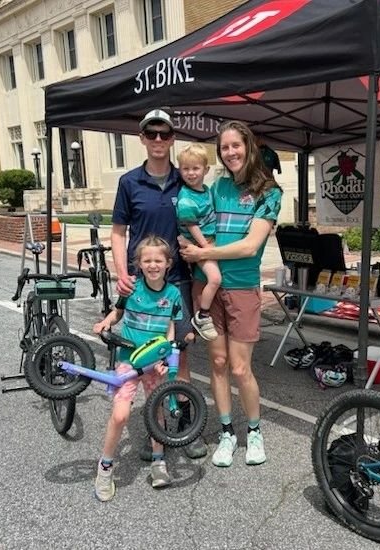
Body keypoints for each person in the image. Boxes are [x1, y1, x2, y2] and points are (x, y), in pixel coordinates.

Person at [179, 120, 283, 467]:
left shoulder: (269, 193)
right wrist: (187, 242)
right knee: (218, 363)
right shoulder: (217, 186)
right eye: (224, 148)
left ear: (248, 146)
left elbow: (251, 246)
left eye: (235, 145)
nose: (230, 152)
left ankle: (254, 431)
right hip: (208, 286)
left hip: (240, 287)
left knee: (241, 368)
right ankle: (226, 432)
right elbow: (194, 218)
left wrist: (203, 253)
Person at [110, 108, 207, 460]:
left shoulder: (187, 181)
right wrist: (121, 273)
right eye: (151, 134)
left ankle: (184, 427)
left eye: (164, 134)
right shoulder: (129, 182)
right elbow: (119, 233)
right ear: (142, 138)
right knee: (144, 358)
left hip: (177, 282)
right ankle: (156, 429)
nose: (158, 140)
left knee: (178, 356)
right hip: (140, 284)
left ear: (172, 138)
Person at [92, 235, 182, 501]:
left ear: (168, 264)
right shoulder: (131, 288)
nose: (153, 265)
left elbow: (170, 328)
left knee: (157, 412)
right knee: (120, 415)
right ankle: (105, 467)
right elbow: (117, 312)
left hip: (155, 362)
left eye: (158, 260)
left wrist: (167, 357)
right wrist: (105, 323)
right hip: (129, 360)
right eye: (147, 260)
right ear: (139, 264)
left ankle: (158, 461)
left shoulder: (174, 294)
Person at [175, 144, 221, 341]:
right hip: (198, 244)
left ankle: (198, 310)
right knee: (215, 279)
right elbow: (193, 226)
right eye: (186, 169)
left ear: (206, 169)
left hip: (207, 242)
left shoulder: (207, 190)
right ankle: (202, 315)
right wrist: (206, 249)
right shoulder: (185, 199)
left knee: (200, 282)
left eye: (195, 168)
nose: (191, 173)